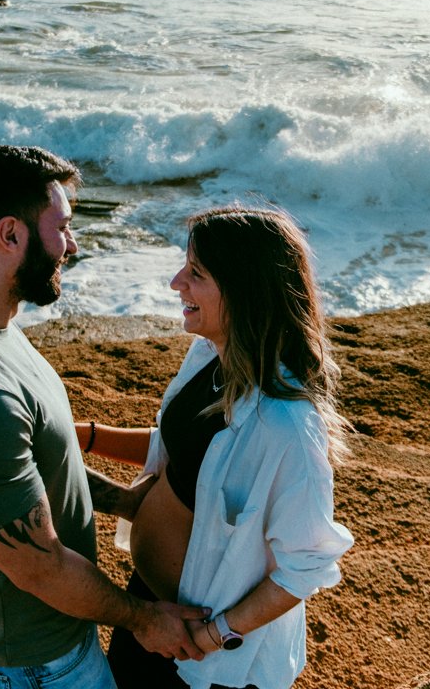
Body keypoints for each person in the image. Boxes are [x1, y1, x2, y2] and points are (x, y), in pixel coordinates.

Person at [0, 144, 207, 689]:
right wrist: (144, 620)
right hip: (39, 652)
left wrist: (127, 502)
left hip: (52, 625)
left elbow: (35, 463)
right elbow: (39, 566)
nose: (72, 244)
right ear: (9, 235)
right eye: (61, 227)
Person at [81, 206, 355, 689]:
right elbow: (187, 456)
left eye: (196, 273)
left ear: (244, 290)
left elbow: (306, 564)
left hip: (205, 658)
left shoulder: (286, 424)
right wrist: (86, 436)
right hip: (155, 608)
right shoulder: (211, 355)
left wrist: (212, 637)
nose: (175, 282)